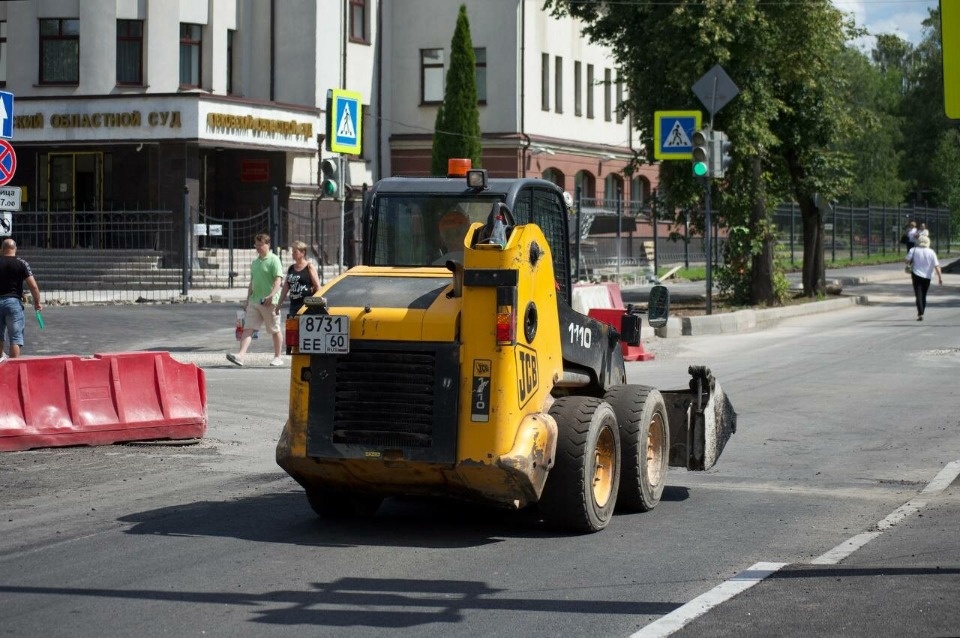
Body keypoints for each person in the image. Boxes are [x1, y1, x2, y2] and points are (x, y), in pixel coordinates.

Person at [227, 233, 285, 366]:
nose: (258, 248)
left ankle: (278, 357)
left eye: (260, 245)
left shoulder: (274, 260)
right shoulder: (255, 262)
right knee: (248, 328)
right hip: (255, 301)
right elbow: (252, 282)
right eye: (256, 245)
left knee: (274, 329)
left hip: (270, 302)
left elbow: (278, 281)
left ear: (268, 245)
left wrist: (271, 295)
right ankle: (240, 356)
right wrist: (247, 300)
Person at [0, 238, 43, 360]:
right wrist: (37, 303)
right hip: (13, 303)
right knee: (15, 337)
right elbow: (33, 286)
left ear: (2, 249)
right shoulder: (21, 263)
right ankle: (13, 367)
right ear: (15, 249)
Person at [277, 240, 321, 317]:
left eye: (295, 252)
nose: (292, 254)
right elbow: (286, 287)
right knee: (293, 328)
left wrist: (318, 304)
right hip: (294, 305)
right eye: (292, 252)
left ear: (302, 253)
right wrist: (279, 304)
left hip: (307, 306)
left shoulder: (309, 267)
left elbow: (317, 286)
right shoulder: (291, 268)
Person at [905, 234, 942, 322]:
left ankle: (920, 313)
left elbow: (906, 261)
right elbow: (937, 266)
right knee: (924, 294)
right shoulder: (931, 252)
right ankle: (922, 311)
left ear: (918, 242)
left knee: (918, 294)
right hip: (927, 276)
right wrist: (940, 278)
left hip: (916, 274)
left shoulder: (913, 250)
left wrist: (911, 261)